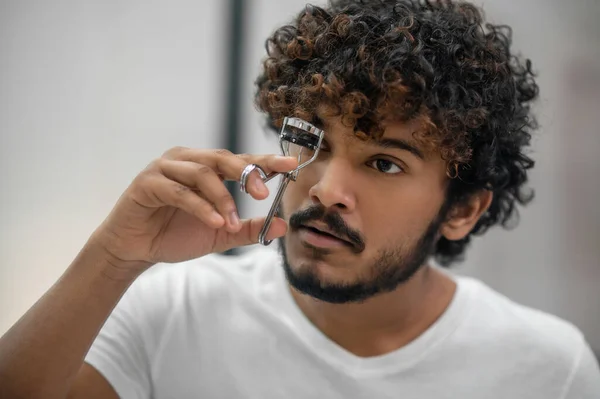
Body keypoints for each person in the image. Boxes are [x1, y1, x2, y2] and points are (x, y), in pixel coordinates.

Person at [1, 0, 599, 397]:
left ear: (462, 209)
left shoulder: (548, 368)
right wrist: (112, 259)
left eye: (385, 162)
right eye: (312, 138)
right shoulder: (175, 311)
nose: (328, 189)